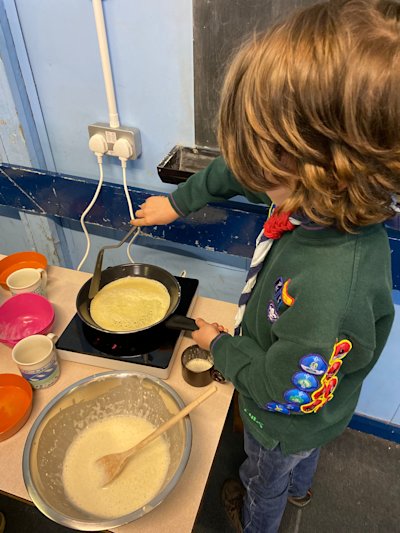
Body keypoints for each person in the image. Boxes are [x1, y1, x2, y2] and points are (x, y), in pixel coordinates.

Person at [131, 1, 400, 531]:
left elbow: (282, 390)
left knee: (264, 475)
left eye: (264, 158)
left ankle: (262, 519)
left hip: (281, 420)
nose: (251, 169)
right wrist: (180, 201)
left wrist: (219, 347)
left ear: (319, 168)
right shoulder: (314, 197)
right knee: (305, 455)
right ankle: (300, 488)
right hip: (320, 410)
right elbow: (238, 168)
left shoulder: (329, 289)